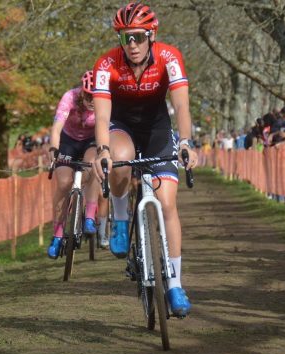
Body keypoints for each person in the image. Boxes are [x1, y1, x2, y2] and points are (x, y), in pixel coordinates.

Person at [91, 2, 197, 317]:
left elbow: (181, 106)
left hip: (157, 128)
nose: (132, 45)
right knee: (119, 160)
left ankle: (175, 284)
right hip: (121, 126)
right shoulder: (106, 63)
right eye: (126, 38)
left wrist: (187, 142)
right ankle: (121, 218)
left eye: (138, 36)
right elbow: (100, 116)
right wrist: (102, 151)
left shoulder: (169, 57)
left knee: (167, 204)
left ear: (151, 35)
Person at [47, 71, 107, 259]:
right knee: (64, 183)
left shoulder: (103, 102)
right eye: (88, 94)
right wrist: (53, 150)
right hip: (68, 141)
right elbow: (56, 128)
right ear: (82, 91)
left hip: (91, 141)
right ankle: (56, 235)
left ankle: (90, 214)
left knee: (92, 165)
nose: (91, 99)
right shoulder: (70, 97)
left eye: (94, 95)